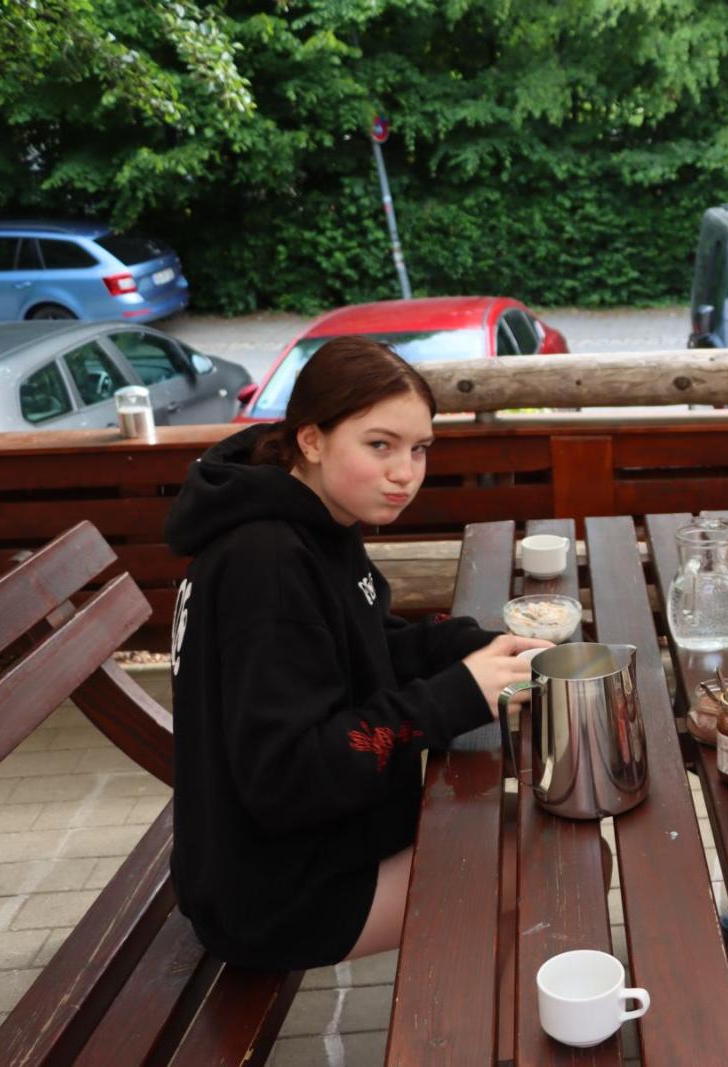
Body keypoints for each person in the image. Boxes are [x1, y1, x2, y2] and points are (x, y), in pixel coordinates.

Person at [165, 336, 547, 970]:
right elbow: (288, 776)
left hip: (287, 850)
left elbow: (362, 642)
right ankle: (466, 1018)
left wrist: (476, 648)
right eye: (380, 445)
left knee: (531, 817)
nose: (406, 472)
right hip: (278, 897)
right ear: (311, 440)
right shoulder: (267, 563)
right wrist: (458, 694)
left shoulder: (312, 516)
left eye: (419, 448)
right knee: (557, 865)